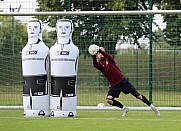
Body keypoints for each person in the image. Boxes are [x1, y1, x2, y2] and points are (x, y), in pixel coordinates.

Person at [91, 46, 160, 117]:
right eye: (98, 53)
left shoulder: (109, 59)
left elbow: (108, 56)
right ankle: (124, 108)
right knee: (109, 100)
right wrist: (93, 54)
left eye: (101, 52)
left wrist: (100, 50)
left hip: (122, 81)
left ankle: (152, 107)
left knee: (138, 96)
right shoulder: (99, 65)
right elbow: (95, 64)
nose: (100, 54)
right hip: (114, 85)